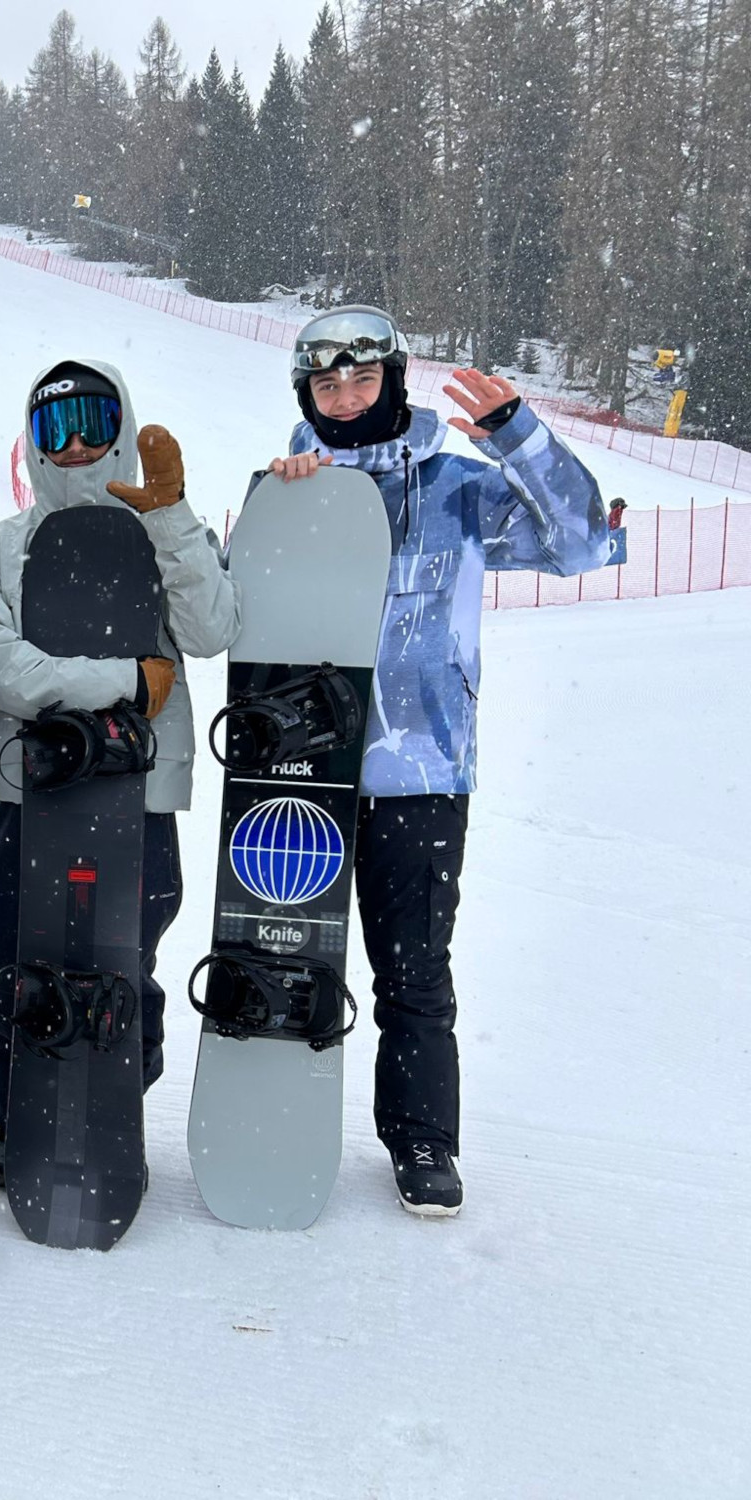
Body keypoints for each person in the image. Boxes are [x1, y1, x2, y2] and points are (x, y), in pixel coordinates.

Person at [267, 304, 609, 1216]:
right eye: (327, 384)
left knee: (414, 971)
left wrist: (517, 436)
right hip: (302, 768)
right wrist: (276, 506)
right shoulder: (289, 490)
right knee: (284, 955)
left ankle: (422, 1138)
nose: (346, 398)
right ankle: (269, 1122)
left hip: (420, 770)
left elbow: (583, 544)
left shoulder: (457, 488)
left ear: (394, 379)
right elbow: (242, 611)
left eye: (362, 378)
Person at [0, 360, 240, 1189]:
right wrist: (124, 680)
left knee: (125, 960)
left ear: (121, 427)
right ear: (34, 440)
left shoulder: (167, 532)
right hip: (31, 793)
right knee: (13, 957)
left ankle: (115, 1106)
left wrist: (172, 521)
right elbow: (8, 674)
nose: (78, 444)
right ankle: (16, 1113)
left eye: (95, 421)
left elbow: (212, 630)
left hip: (136, 796)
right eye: (58, 427)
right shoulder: (1, 547)